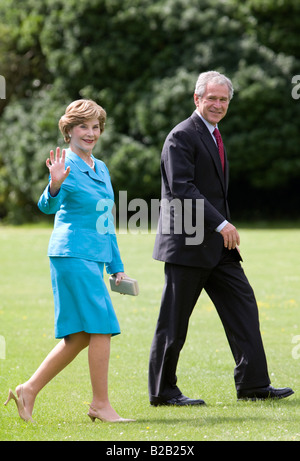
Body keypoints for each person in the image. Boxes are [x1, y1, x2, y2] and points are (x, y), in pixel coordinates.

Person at [148, 71, 294, 406]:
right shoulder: (181, 136)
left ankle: (254, 384)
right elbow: (183, 189)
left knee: (243, 306)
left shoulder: (214, 134)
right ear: (196, 99)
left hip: (217, 248)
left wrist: (219, 228)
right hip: (187, 244)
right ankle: (162, 391)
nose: (217, 104)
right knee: (174, 323)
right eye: (211, 98)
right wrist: (221, 224)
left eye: (223, 99)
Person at [4, 99, 135, 423]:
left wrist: (116, 266)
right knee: (102, 326)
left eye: (95, 127)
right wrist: (55, 184)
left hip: (93, 256)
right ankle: (100, 405)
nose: (90, 133)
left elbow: (107, 221)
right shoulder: (64, 163)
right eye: (83, 126)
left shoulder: (101, 167)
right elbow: (46, 205)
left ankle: (27, 390)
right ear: (68, 130)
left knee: (79, 336)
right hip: (71, 254)